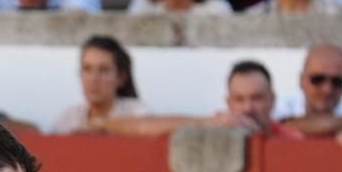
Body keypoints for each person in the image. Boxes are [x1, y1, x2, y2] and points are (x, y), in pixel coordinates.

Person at [95, 60, 304, 137]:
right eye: (239, 100)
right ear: (228, 103)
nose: (248, 108)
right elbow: (136, 127)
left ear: (272, 100)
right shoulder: (215, 127)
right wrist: (209, 123)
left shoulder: (289, 139)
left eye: (257, 98)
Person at [273, 42, 342, 139]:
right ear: (301, 80)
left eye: (337, 82)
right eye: (318, 79)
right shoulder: (280, 106)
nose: (327, 89)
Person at [51, 36, 147, 134]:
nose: (94, 78)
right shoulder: (68, 119)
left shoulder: (135, 111)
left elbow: (159, 127)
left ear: (121, 78)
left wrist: (101, 124)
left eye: (104, 70)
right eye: (87, 69)